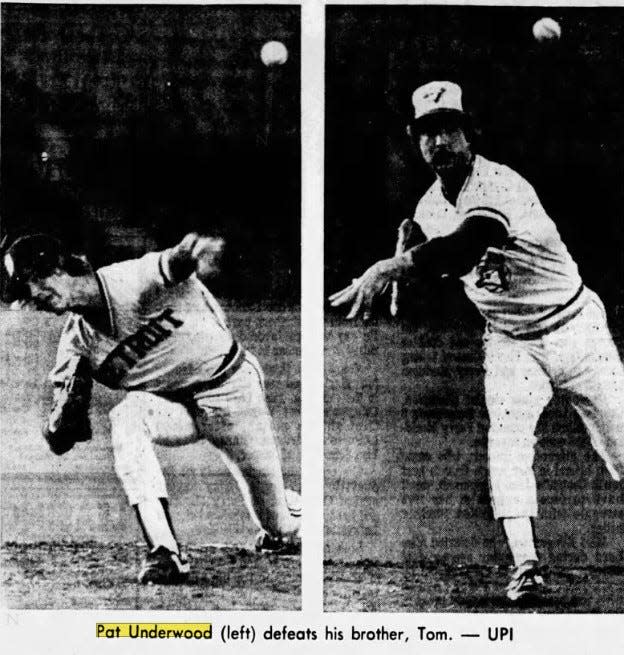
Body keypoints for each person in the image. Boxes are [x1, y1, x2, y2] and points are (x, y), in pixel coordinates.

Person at [330, 80, 624, 604]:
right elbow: (437, 257)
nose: (438, 142)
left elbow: (469, 244)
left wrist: (392, 265)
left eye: (449, 129)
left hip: (578, 330)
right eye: (426, 133)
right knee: (507, 448)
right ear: (414, 141)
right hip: (512, 343)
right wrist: (409, 256)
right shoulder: (427, 205)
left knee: (621, 451)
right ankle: (526, 564)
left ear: (471, 134)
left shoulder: (502, 185)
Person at [2, 231, 301, 584]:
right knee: (127, 417)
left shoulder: (131, 279)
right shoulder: (76, 344)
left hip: (233, 392)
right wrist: (63, 417)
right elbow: (57, 438)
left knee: (278, 527)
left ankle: (290, 509)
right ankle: (165, 551)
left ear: (57, 267)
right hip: (175, 410)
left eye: (33, 282)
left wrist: (197, 250)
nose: (33, 297)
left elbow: (177, 260)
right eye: (24, 291)